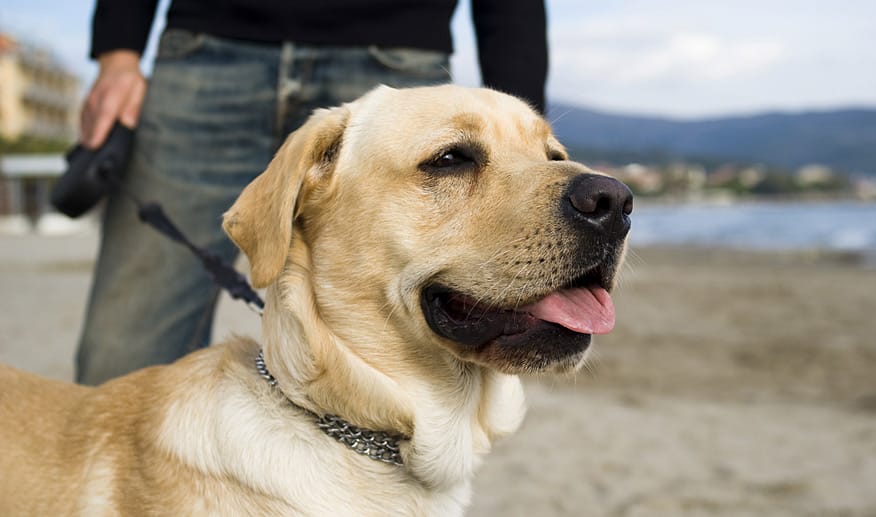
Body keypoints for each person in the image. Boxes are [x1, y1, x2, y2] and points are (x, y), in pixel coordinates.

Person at [76, 0, 548, 385]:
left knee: (423, 366)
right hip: (205, 51)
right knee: (120, 358)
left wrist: (521, 145)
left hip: (398, 46)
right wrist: (118, 52)